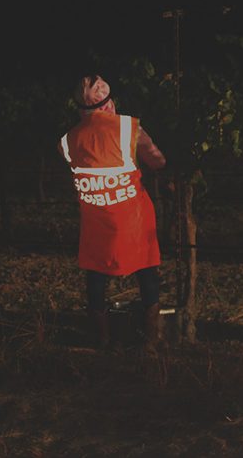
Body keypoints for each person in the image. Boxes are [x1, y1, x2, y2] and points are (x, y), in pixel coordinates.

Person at [59, 74, 166, 349]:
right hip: (133, 220)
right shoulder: (130, 129)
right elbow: (157, 161)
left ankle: (102, 338)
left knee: (95, 276)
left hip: (96, 221)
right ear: (109, 104)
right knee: (146, 271)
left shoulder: (68, 140)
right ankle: (151, 338)